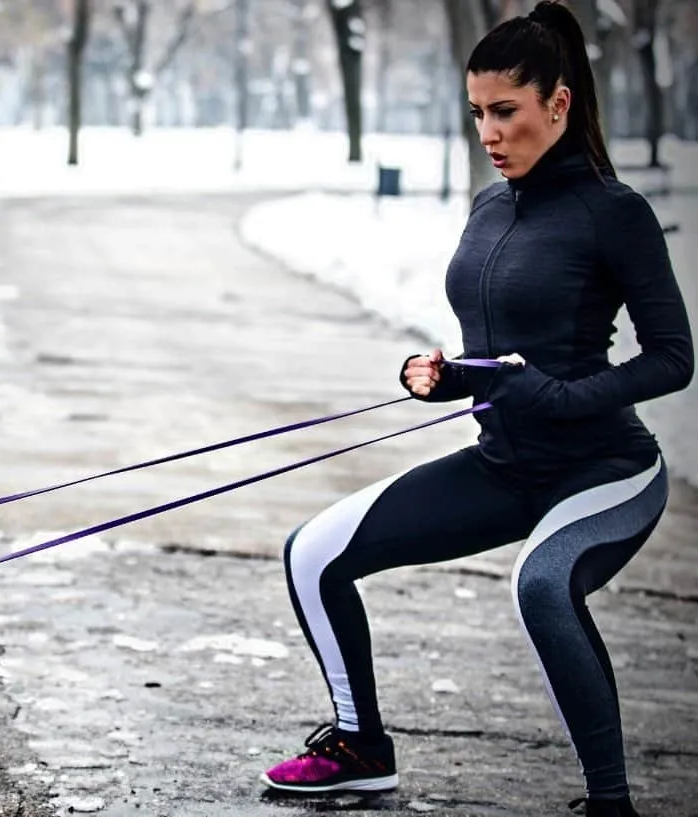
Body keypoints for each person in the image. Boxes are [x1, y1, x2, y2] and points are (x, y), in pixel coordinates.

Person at [258, 3, 692, 816]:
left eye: (506, 112)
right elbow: (504, 350)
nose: (489, 133)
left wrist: (563, 396)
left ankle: (611, 801)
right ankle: (360, 746)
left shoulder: (614, 212)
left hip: (606, 472)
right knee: (314, 551)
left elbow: (674, 356)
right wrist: (448, 373)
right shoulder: (491, 207)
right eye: (477, 114)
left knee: (542, 583)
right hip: (505, 464)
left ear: (558, 105)